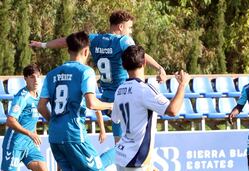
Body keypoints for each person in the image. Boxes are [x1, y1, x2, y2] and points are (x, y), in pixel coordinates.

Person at [70, 45, 190, 171]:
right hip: (138, 157)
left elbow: (116, 118)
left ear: (124, 66)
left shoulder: (121, 90)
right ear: (143, 63)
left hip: (122, 154)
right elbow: (173, 111)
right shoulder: (145, 89)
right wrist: (183, 85)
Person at [30, 10, 166, 144]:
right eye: (129, 27)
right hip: (123, 95)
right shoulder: (124, 41)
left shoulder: (94, 39)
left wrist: (42, 45)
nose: (130, 31)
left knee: (121, 142)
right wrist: (159, 67)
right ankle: (101, 165)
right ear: (121, 27)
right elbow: (139, 55)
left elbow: (67, 41)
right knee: (127, 143)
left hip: (105, 95)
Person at [37, 31, 113, 171]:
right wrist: (114, 104)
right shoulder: (85, 72)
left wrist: (54, 122)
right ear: (86, 50)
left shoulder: (52, 74)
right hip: (74, 134)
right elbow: (91, 103)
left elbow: (41, 106)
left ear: (68, 49)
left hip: (54, 136)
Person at [0, 64, 49, 171]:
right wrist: (29, 132)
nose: (35, 79)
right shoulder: (22, 97)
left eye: (37, 76)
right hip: (15, 143)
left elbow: (30, 120)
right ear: (26, 79)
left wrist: (33, 133)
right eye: (31, 77)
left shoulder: (38, 96)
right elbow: (10, 120)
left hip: (28, 144)